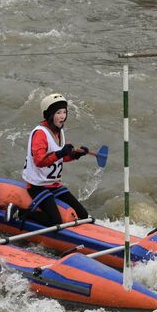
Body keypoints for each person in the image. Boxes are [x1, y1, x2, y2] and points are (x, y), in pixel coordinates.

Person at [22, 93, 93, 227]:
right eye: (58, 113)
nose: (62, 116)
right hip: (37, 186)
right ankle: (20, 212)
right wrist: (61, 153)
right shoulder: (40, 133)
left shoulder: (59, 131)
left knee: (83, 215)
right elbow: (39, 161)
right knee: (55, 221)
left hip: (54, 184)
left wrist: (74, 155)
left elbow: (60, 158)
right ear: (49, 115)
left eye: (64, 112)